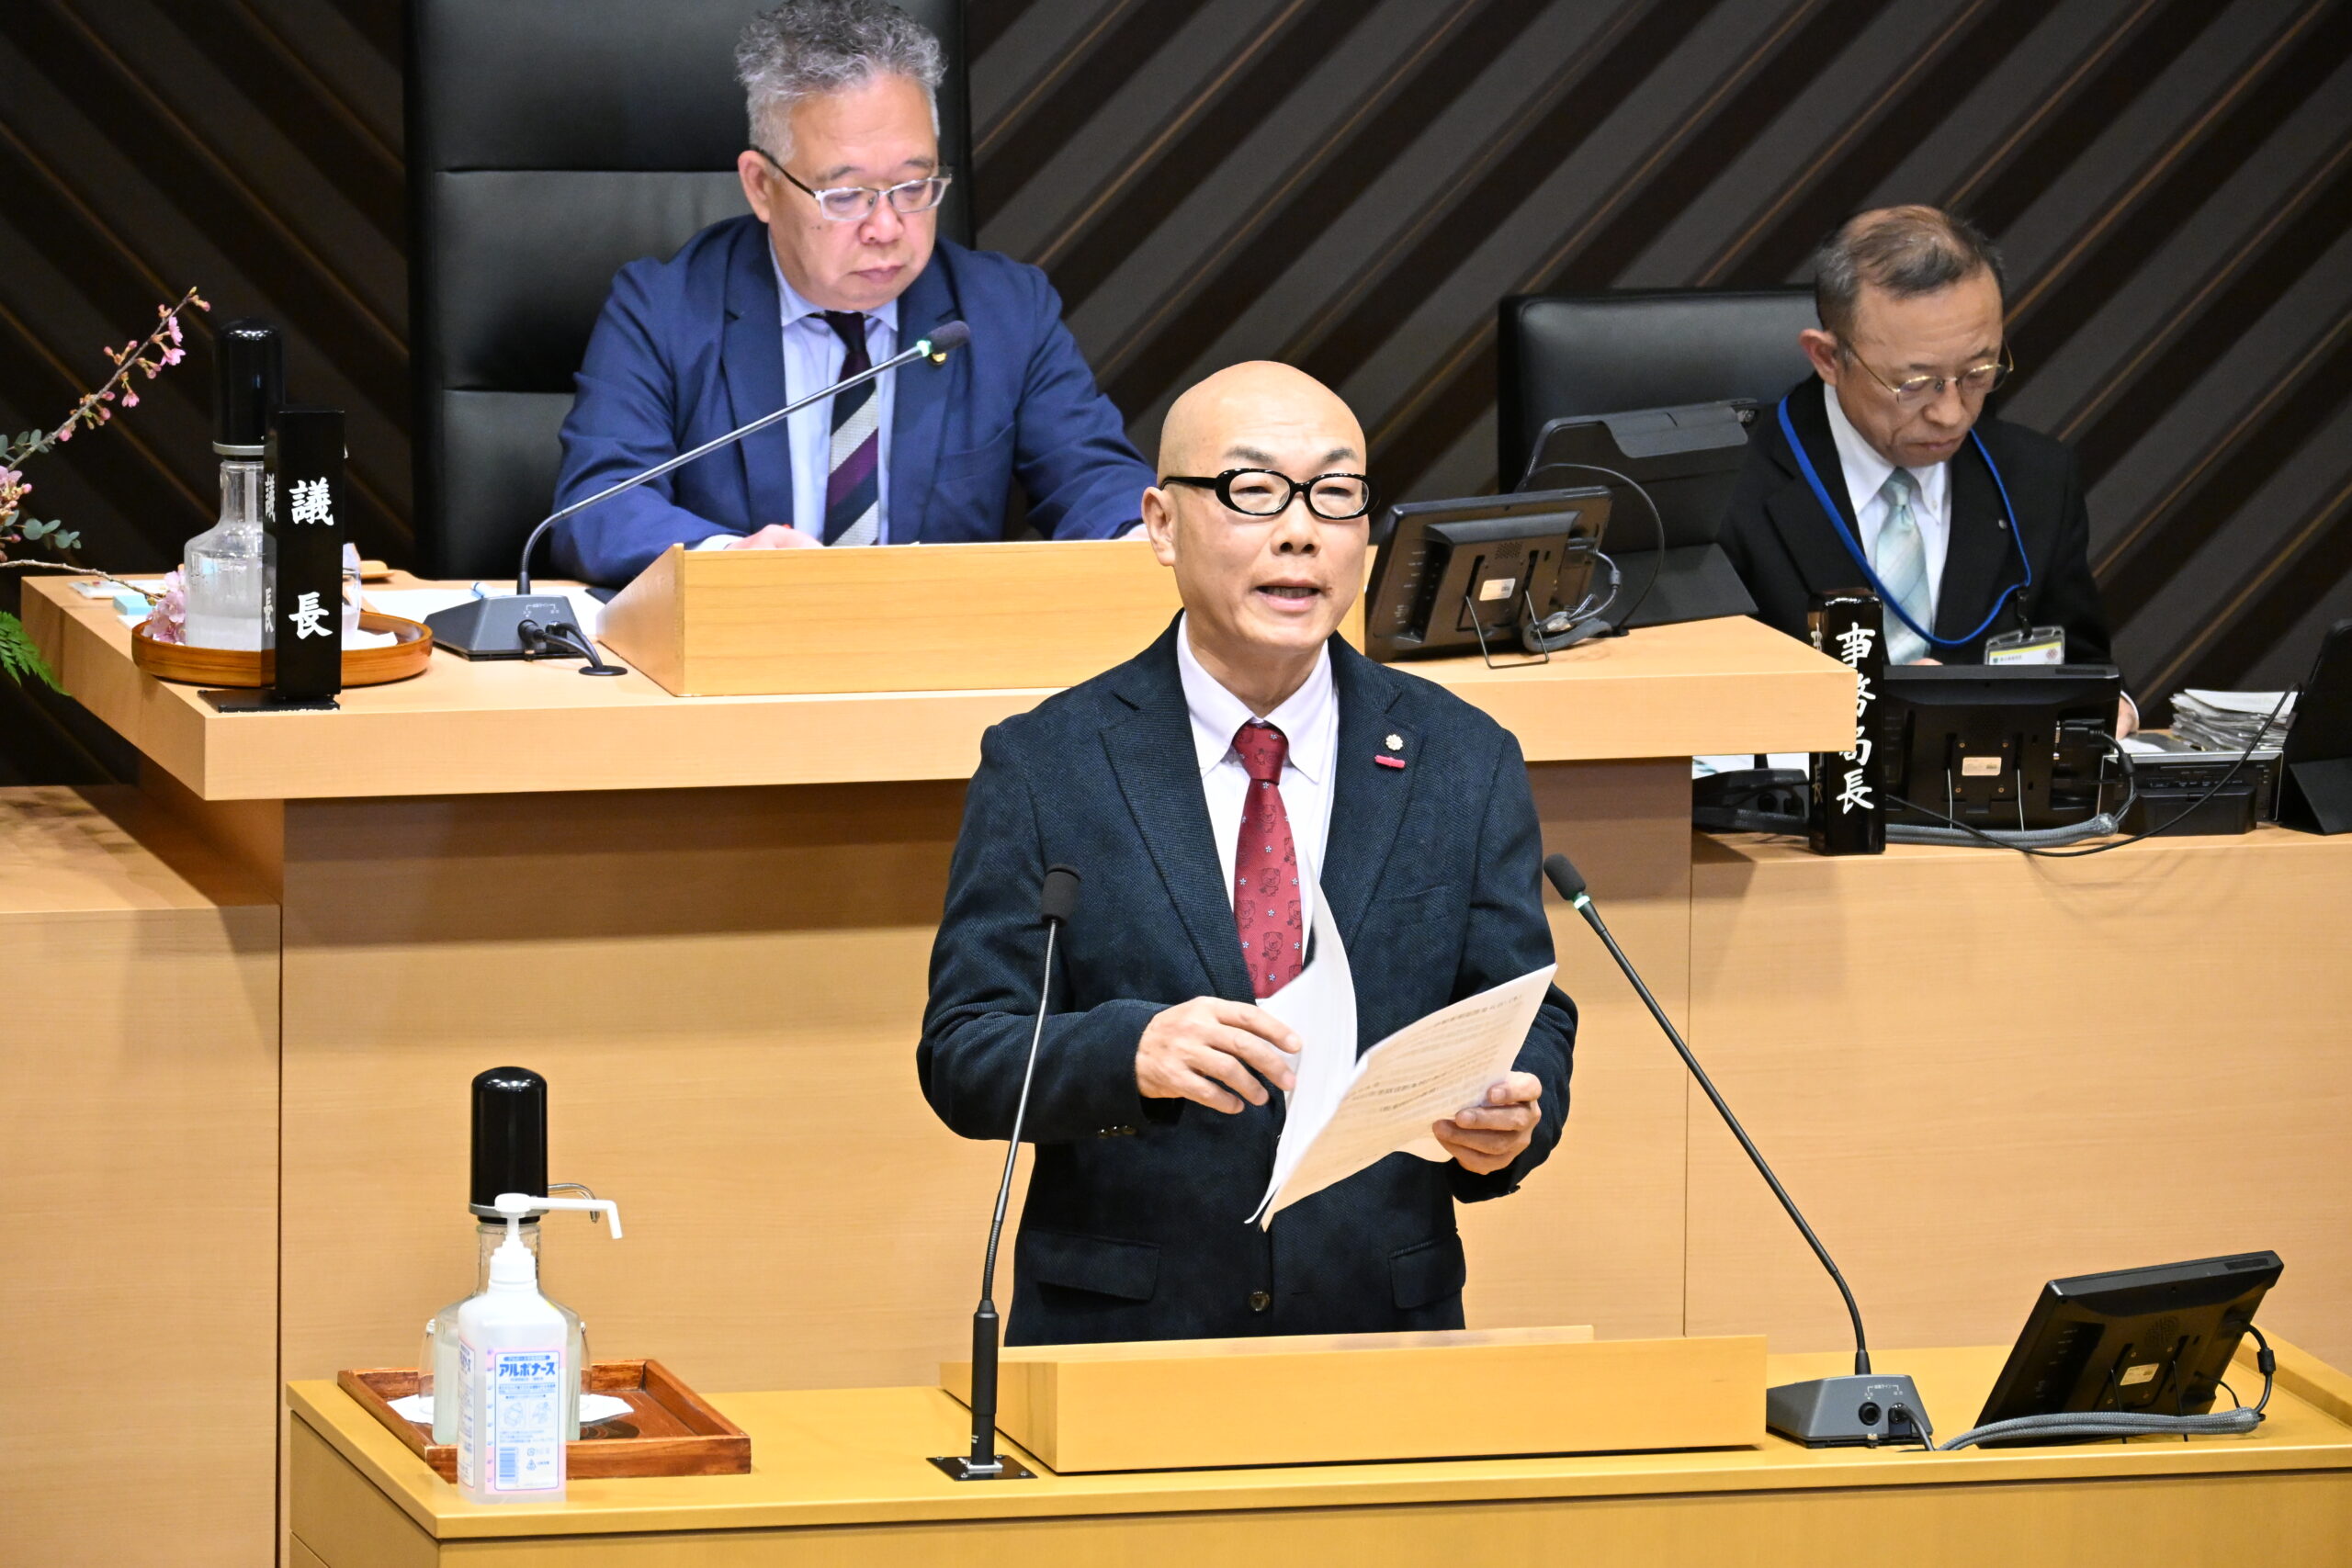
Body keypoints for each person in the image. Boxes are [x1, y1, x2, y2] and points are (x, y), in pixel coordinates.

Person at [918, 362, 1577, 1346]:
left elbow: (1526, 1012)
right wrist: (1127, 1051)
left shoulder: (1461, 758)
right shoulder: (1049, 763)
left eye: (1336, 494)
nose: (1300, 530)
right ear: (1160, 522)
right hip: (1121, 1333)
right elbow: (965, 1050)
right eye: (1252, 491)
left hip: (1381, 1323)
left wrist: (1514, 1115)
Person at [550, 0, 1153, 587]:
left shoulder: (1006, 312)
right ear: (761, 187)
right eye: (846, 196)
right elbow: (597, 510)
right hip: (743, 660)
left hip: (938, 666)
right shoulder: (665, 310)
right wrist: (729, 559)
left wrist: (1137, 537)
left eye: (914, 186)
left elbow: (1096, 480)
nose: (887, 228)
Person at [1721, 206, 2133, 731]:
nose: (1952, 412)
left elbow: (2084, 666)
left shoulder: (2036, 478)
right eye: (1914, 384)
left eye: (1978, 372)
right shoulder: (1725, 491)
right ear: (1827, 358)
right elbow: (1689, 700)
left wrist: (2106, 707)